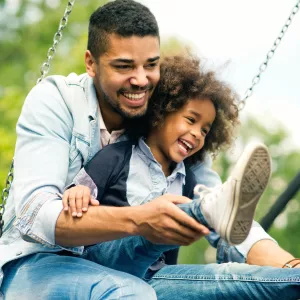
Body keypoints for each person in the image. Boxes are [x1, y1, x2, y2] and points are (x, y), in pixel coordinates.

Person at [0, 0, 299, 299]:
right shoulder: (57, 101)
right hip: (39, 263)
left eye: (151, 65)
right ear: (91, 63)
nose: (141, 80)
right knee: (133, 290)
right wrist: (141, 219)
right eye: (124, 66)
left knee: (240, 283)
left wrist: (285, 264)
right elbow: (35, 215)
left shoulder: (162, 119)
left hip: (138, 273)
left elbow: (228, 213)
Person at [61, 54, 273, 279]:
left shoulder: (188, 181)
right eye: (191, 120)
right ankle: (209, 210)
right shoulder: (117, 156)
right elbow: (76, 197)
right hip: (104, 266)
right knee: (161, 223)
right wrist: (79, 191)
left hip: (156, 279)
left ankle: (287, 275)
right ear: (161, 111)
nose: (197, 134)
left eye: (204, 130)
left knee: (229, 279)